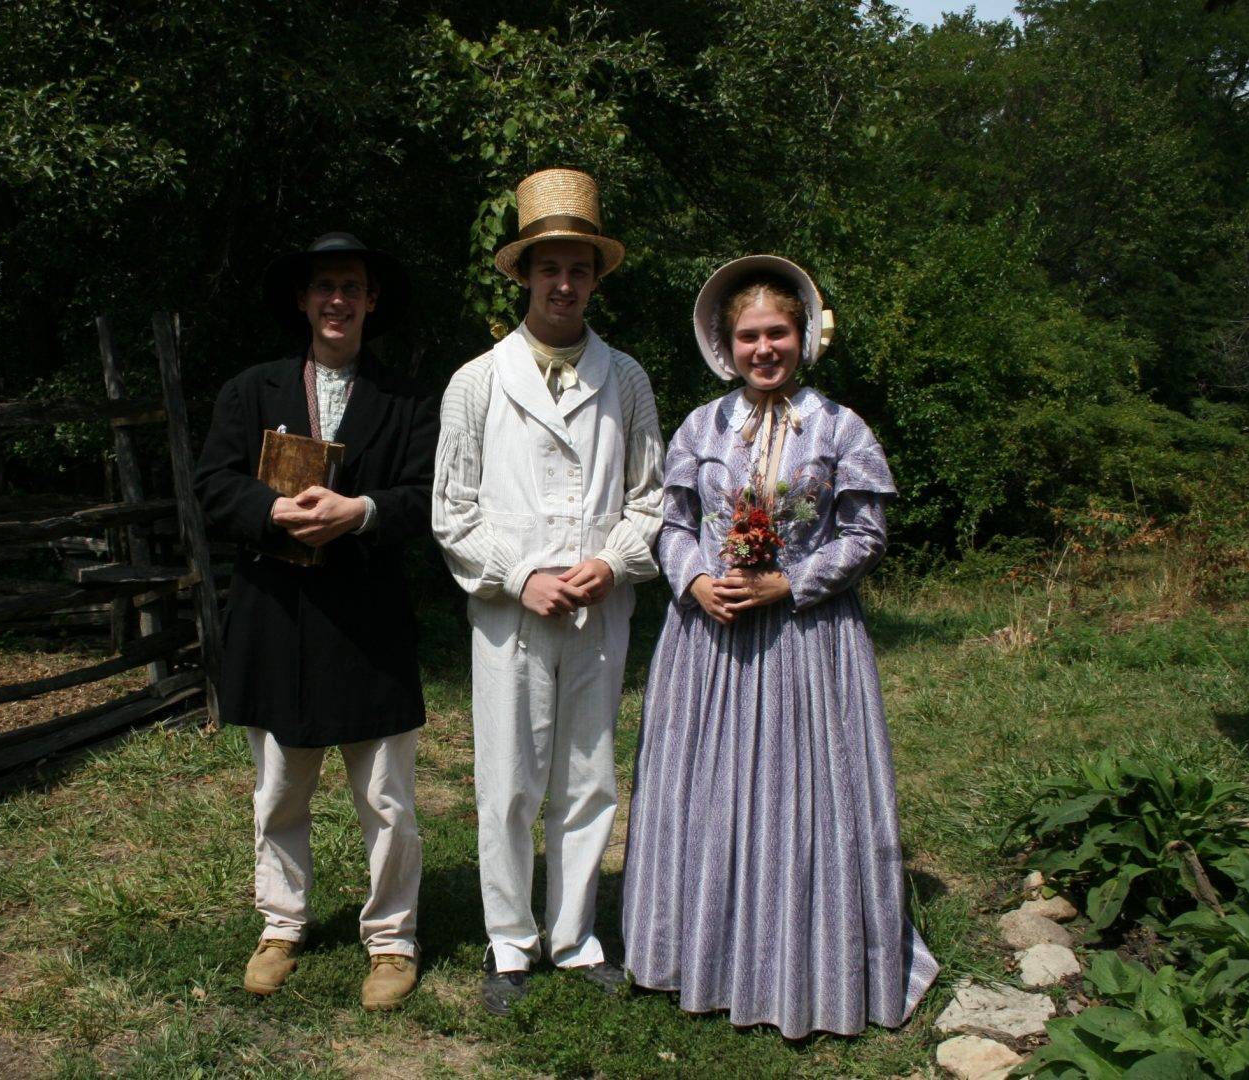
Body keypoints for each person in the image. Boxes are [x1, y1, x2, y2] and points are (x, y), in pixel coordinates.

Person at [619, 254, 937, 1036]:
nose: (765, 349)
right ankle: (702, 953)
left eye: (779, 333)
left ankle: (808, 963)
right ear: (727, 344)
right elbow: (671, 525)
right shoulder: (702, 425)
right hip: (712, 643)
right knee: (709, 794)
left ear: (804, 335)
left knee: (804, 800)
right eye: (750, 336)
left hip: (806, 645)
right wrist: (695, 580)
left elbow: (867, 533)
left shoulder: (838, 426)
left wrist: (789, 583)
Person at [433, 168, 665, 1015]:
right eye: (548, 268)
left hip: (601, 611)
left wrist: (615, 561)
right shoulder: (477, 382)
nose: (563, 284)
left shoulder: (627, 379)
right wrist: (520, 575)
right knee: (507, 780)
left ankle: (575, 938)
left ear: (594, 278)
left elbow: (653, 497)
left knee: (589, 775)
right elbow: (450, 511)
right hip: (510, 618)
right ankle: (508, 943)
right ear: (524, 275)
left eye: (578, 269)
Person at [193, 232, 439, 1011]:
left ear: (373, 302)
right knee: (278, 791)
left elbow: (431, 496)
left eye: (353, 287)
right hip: (278, 616)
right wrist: (272, 510)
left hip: (369, 620)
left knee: (388, 799)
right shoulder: (249, 391)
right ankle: (281, 924)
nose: (338, 300)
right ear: (303, 301)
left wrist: (359, 510)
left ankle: (393, 941)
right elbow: (211, 487)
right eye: (324, 286)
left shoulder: (407, 401)